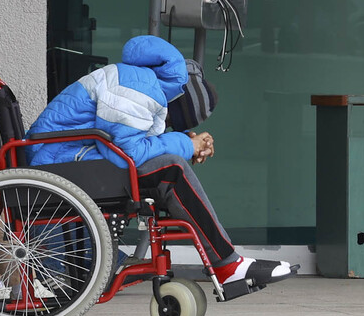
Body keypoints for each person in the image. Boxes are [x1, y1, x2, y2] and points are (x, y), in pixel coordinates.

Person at [25, 35, 295, 298]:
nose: (171, 126)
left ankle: (227, 263)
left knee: (169, 167)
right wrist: (186, 145)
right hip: (59, 164)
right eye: (177, 122)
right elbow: (127, 154)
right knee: (172, 171)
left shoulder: (142, 82)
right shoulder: (139, 88)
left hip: (71, 158)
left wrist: (185, 141)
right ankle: (228, 265)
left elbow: (127, 140)